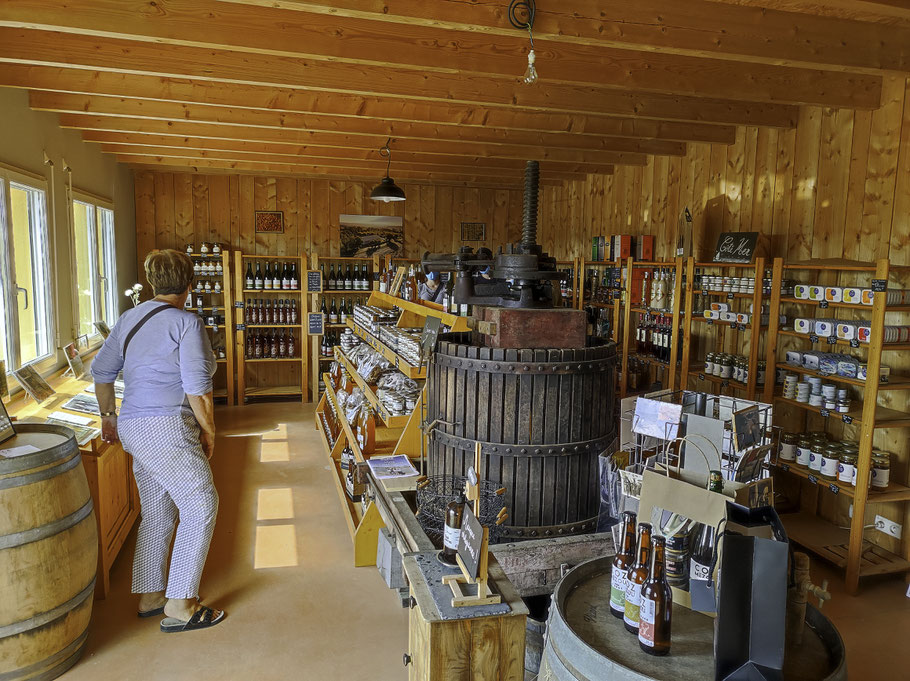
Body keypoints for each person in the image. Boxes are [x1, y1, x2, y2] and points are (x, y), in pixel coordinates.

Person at [91, 249, 225, 633]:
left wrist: (109, 417)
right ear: (190, 283)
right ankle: (181, 602)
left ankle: (150, 595)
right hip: (166, 427)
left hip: (133, 427)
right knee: (201, 504)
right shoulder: (186, 323)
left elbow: (102, 372)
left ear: (151, 282)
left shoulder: (129, 318)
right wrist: (209, 432)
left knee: (158, 511)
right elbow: (197, 389)